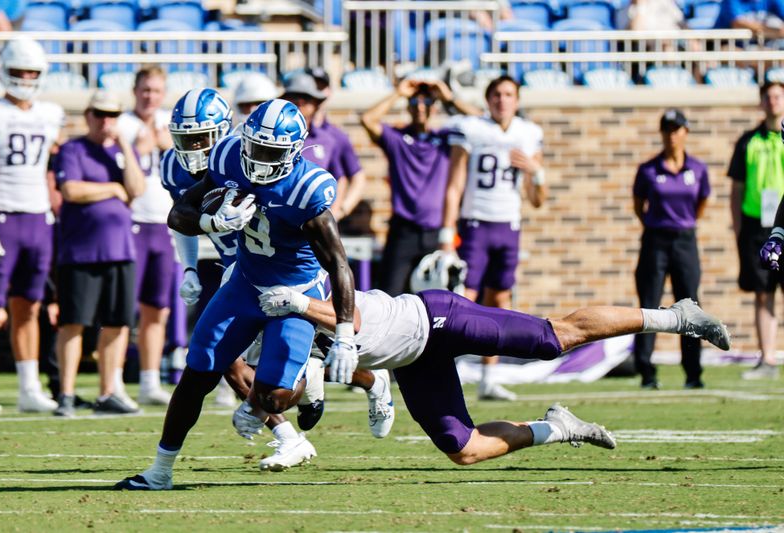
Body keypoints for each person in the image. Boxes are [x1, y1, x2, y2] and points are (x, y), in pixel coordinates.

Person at [114, 98, 356, 490]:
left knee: (273, 399)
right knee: (197, 374)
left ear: (294, 152)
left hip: (292, 295)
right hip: (243, 283)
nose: (258, 159)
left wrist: (344, 334)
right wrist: (210, 219)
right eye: (255, 147)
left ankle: (313, 370)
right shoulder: (227, 156)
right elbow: (179, 214)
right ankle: (159, 471)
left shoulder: (308, 189)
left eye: (270, 152)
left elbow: (339, 264)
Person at [252, 280, 731, 465]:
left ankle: (677, 317)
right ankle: (560, 427)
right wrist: (263, 408)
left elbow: (349, 318)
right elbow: (290, 390)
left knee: (554, 338)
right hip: (411, 361)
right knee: (464, 450)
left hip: (436, 318)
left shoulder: (306, 303)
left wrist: (297, 303)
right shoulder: (288, 346)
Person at [160, 87, 321, 469]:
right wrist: (189, 266)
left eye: (202, 137)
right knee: (223, 358)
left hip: (275, 268)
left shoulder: (247, 157)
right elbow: (183, 217)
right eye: (186, 139)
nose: (195, 147)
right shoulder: (173, 166)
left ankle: (355, 379)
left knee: (281, 360)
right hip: (236, 268)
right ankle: (288, 434)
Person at [439, 74, 547, 401]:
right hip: (476, 223)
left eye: (508, 94)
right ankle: (445, 370)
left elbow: (538, 199)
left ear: (517, 99)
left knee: (499, 301)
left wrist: (535, 171)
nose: (502, 100)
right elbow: (454, 184)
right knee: (464, 298)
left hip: (508, 225)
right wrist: (447, 235)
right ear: (488, 99)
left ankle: (489, 376)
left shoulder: (529, 134)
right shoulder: (473, 129)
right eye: (497, 94)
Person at [52, 91, 146, 416]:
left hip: (120, 250)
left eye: (112, 115)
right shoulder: (73, 149)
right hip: (81, 252)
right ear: (89, 114)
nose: (105, 121)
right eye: (99, 114)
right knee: (73, 323)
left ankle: (108, 392)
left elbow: (137, 190)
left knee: (117, 323)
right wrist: (112, 189)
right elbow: (72, 190)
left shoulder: (122, 151)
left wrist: (124, 149)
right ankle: (65, 393)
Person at [0, 38, 64, 415]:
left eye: (32, 72)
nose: (27, 78)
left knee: (29, 305)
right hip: (2, 213)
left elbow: (49, 169)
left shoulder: (49, 115)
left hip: (37, 217)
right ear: (4, 72)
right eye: (20, 72)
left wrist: (51, 204)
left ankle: (28, 385)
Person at [360, 78, 476, 296]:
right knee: (388, 298)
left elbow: (482, 123)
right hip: (403, 232)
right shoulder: (398, 139)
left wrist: (448, 96)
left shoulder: (445, 139)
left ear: (435, 106)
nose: (421, 107)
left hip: (437, 234)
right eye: (415, 103)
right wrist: (398, 93)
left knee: (437, 305)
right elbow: (368, 119)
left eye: (427, 102)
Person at [632, 109, 711, 390]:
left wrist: (683, 224)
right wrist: (657, 224)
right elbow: (638, 204)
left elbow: (701, 203)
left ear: (686, 132)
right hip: (655, 240)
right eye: (667, 129)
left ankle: (693, 373)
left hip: (685, 241)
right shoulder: (649, 169)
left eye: (677, 129)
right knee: (650, 305)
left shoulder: (698, 169)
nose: (672, 135)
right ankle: (646, 371)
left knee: (689, 305)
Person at [117, 66, 176, 406]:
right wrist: (139, 150)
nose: (149, 96)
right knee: (124, 309)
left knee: (158, 308)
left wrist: (167, 145)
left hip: (164, 224)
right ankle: (115, 379)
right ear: (134, 90)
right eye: (144, 90)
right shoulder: (124, 124)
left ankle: (150, 380)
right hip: (133, 222)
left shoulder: (170, 124)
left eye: (155, 90)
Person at [729, 81, 784, 380]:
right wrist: (738, 230)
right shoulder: (748, 141)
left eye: (778, 96)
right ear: (761, 102)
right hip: (757, 226)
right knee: (763, 293)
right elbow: (736, 189)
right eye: (768, 97)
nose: (773, 101)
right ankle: (768, 359)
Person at [303, 68, 367, 223]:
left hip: (319, 223)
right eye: (311, 87)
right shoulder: (287, 133)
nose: (316, 92)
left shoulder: (336, 136)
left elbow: (353, 177)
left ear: (329, 92)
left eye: (320, 87)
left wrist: (340, 211)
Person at [713, 0, 784, 39]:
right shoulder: (731, 1)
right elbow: (737, 23)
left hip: (760, 46)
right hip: (730, 46)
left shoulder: (774, 1)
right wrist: (772, 31)